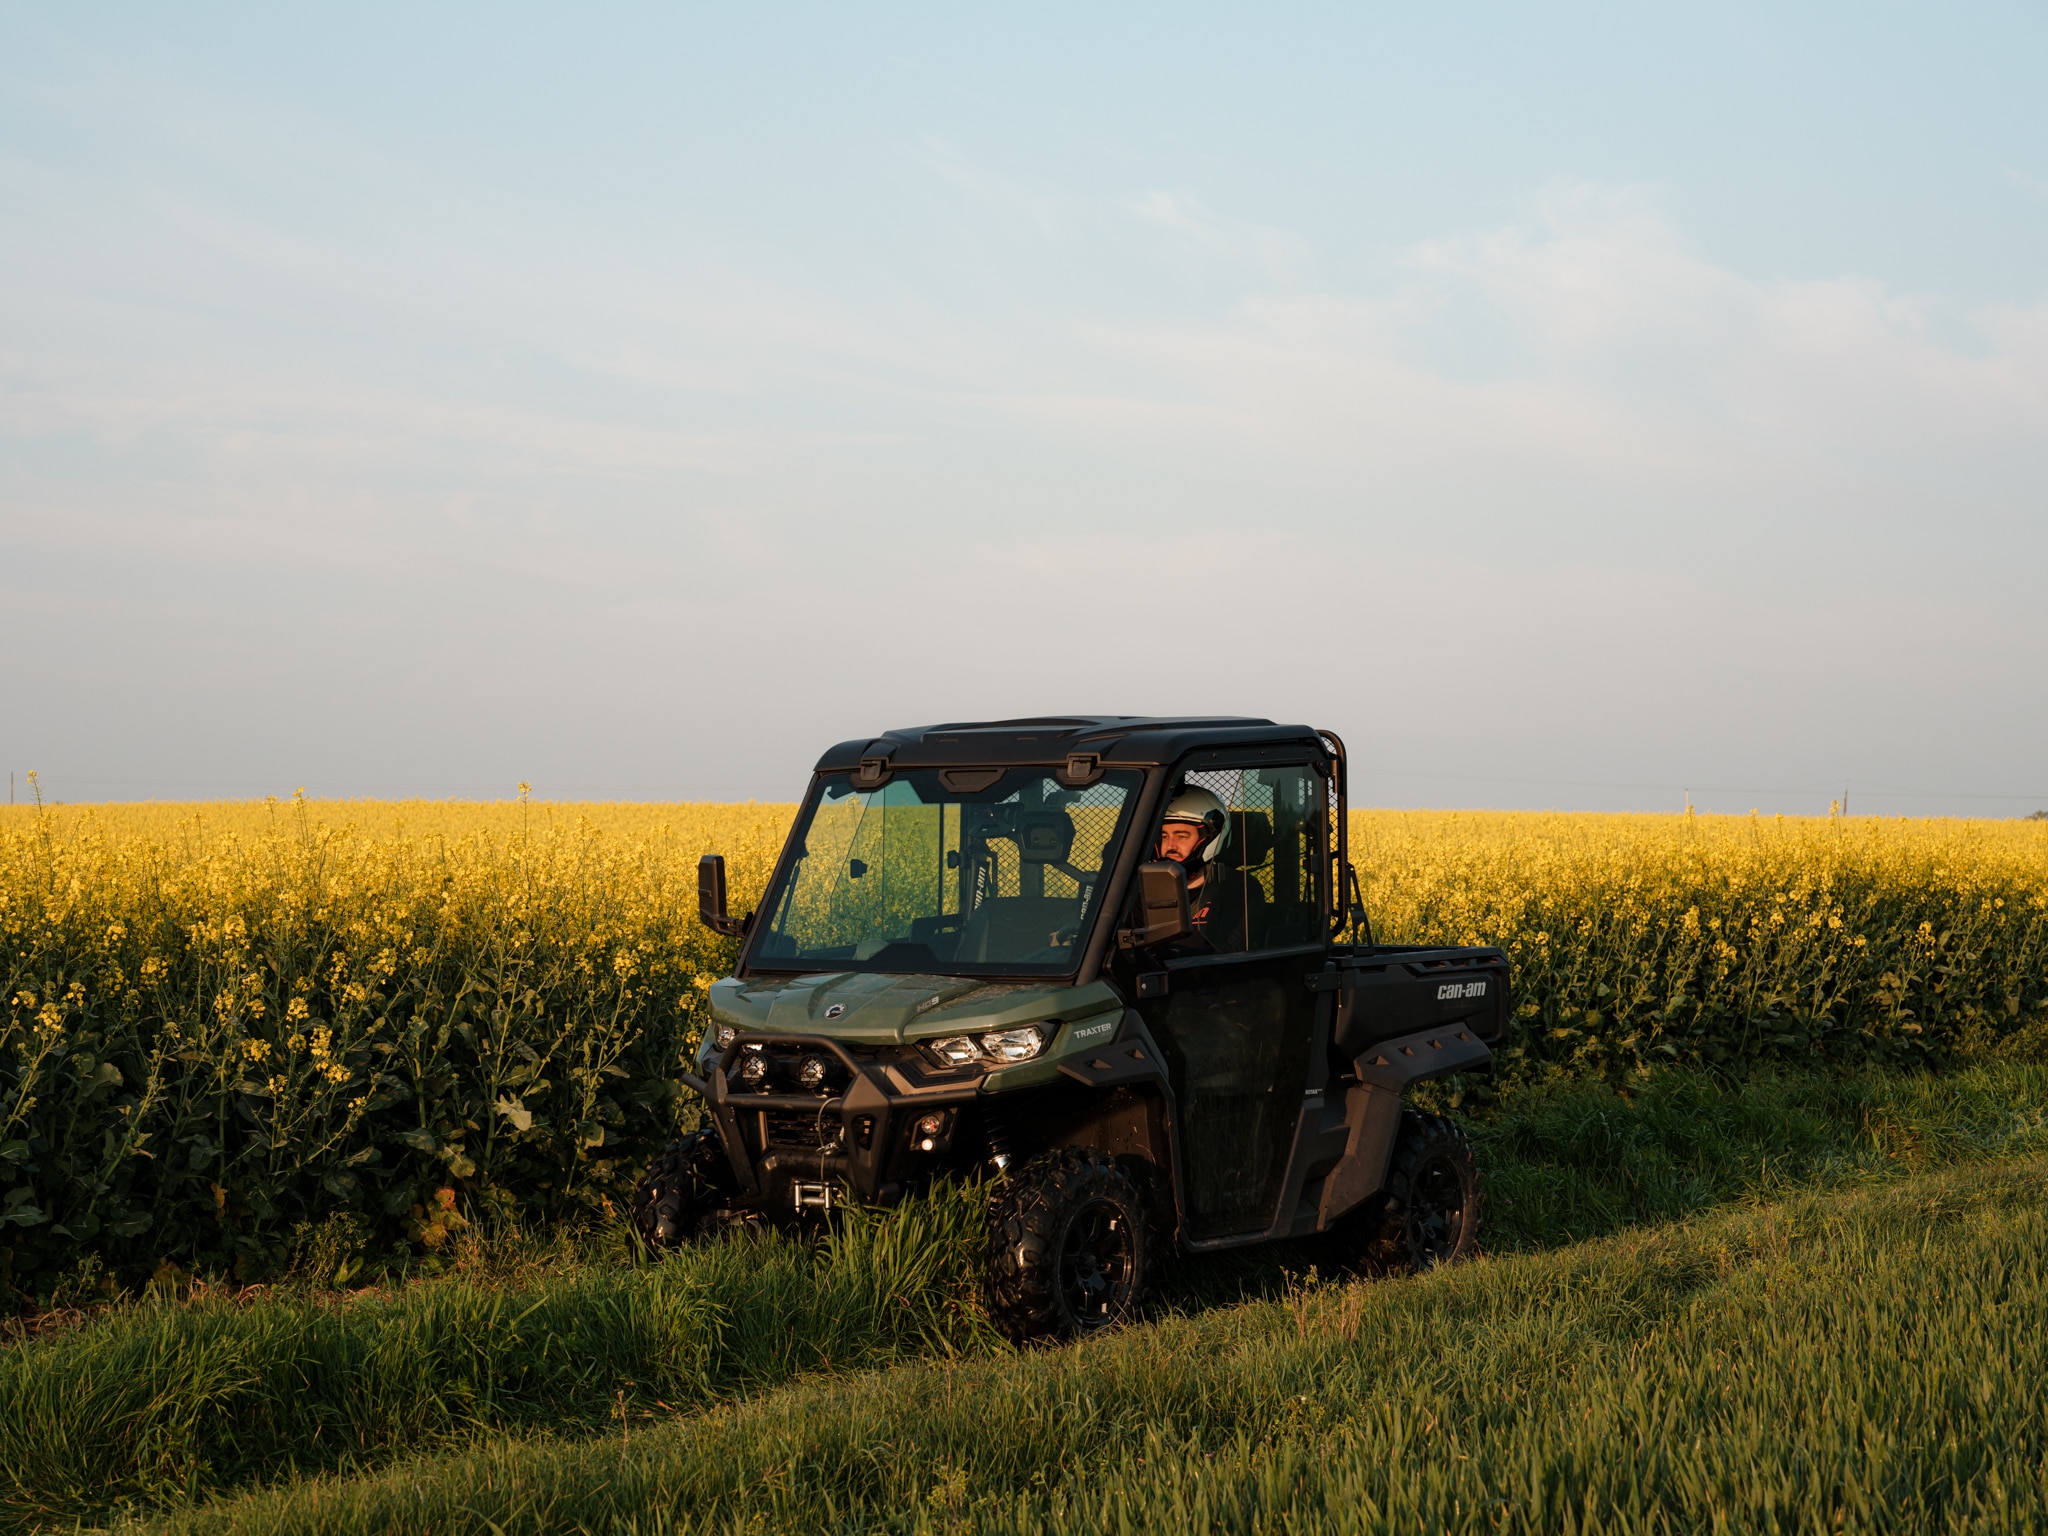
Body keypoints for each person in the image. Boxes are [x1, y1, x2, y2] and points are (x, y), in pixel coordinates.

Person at [1154, 785, 1247, 952]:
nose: (1169, 846)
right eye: (1164, 836)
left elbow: (1233, 952)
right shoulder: (1144, 889)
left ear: (1208, 838)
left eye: (1182, 836)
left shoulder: (1237, 888)